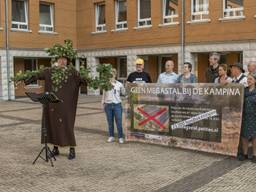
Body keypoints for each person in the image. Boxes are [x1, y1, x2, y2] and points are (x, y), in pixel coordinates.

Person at [25, 57, 85, 160]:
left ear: (67, 61)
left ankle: (72, 149)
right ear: (57, 61)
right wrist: (27, 79)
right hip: (53, 104)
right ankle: (55, 148)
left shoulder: (72, 72)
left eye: (64, 60)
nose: (62, 61)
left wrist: (90, 80)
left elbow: (82, 80)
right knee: (54, 125)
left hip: (66, 105)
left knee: (67, 125)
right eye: (60, 59)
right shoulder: (50, 71)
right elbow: (38, 75)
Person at [102, 68, 125, 144]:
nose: (112, 75)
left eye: (113, 73)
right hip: (108, 105)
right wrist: (102, 104)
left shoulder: (119, 84)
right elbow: (104, 94)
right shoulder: (106, 84)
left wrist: (127, 88)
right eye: (110, 74)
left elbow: (124, 93)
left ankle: (120, 137)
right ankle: (111, 136)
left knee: (119, 122)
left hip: (117, 105)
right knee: (110, 122)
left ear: (115, 74)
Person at [240, 72, 256, 162]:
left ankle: (255, 155)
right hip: (244, 116)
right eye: (248, 79)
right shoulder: (244, 90)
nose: (248, 80)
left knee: (255, 137)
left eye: (250, 79)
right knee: (244, 136)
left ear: (255, 81)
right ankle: (245, 154)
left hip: (254, 116)